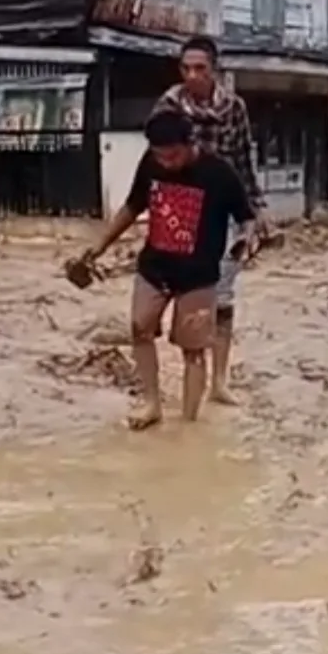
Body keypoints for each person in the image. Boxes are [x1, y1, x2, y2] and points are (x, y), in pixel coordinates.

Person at [81, 108, 254, 430]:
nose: (166, 164)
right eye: (160, 156)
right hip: (154, 267)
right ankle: (151, 404)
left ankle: (189, 424)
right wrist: (100, 245)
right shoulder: (150, 164)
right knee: (139, 328)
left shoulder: (219, 174)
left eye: (173, 156)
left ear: (191, 144)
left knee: (193, 350)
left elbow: (246, 217)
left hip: (199, 277)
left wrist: (244, 240)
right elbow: (133, 207)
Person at [154, 36, 267, 404]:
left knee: (223, 294)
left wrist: (256, 212)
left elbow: (243, 161)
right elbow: (156, 160)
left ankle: (219, 380)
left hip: (226, 210)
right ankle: (191, 373)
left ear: (214, 70)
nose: (192, 75)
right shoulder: (168, 107)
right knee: (186, 292)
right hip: (182, 208)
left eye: (200, 68)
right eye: (186, 68)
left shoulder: (234, 108)